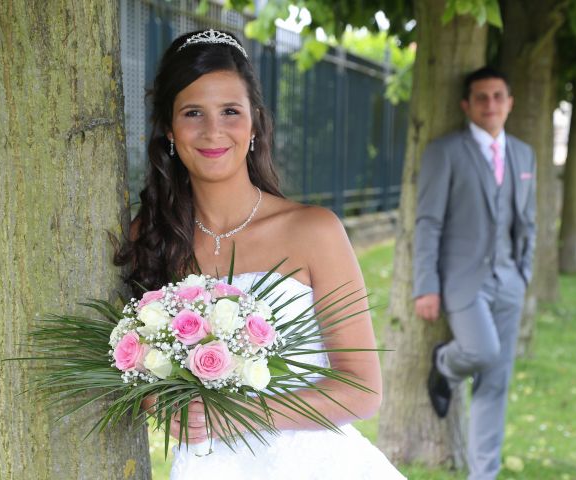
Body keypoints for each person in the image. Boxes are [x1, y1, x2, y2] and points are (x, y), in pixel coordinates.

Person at [114, 29, 405, 479]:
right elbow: (135, 371)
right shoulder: (152, 238)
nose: (213, 131)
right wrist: (164, 402)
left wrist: (234, 414)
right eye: (193, 113)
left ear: (254, 123)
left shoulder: (313, 231)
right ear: (170, 130)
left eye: (230, 111)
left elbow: (362, 388)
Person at [413, 66, 536, 480]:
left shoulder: (524, 154)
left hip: (509, 280)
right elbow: (428, 221)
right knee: (483, 352)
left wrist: (524, 272)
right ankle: (445, 364)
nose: (490, 105)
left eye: (498, 96)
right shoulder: (444, 151)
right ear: (466, 105)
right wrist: (426, 285)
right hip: (463, 281)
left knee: (495, 385)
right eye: (481, 98)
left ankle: (483, 475)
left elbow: (528, 221)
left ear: (510, 102)